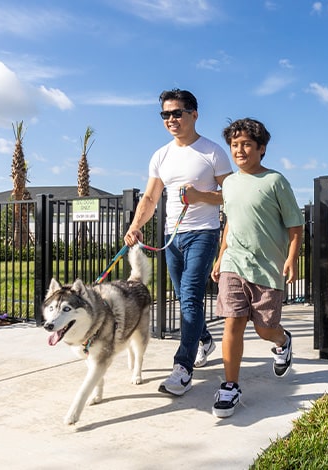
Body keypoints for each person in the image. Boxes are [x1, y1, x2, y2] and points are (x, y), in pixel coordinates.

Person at [124, 88, 232, 396]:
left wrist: (200, 196)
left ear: (194, 115)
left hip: (204, 233)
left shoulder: (212, 152)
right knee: (185, 299)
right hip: (172, 238)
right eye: (165, 115)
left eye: (177, 113)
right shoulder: (161, 155)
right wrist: (135, 226)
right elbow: (150, 197)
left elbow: (231, 194)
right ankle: (205, 340)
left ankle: (182, 368)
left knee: (190, 298)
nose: (171, 119)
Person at [209, 118, 304, 418]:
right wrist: (221, 256)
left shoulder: (275, 181)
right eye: (235, 145)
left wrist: (292, 259)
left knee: (264, 329)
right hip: (234, 263)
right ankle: (230, 386)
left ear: (261, 148)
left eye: (247, 144)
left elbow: (295, 225)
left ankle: (282, 340)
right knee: (233, 323)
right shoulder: (229, 185)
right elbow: (230, 225)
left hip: (267, 268)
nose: (239, 150)